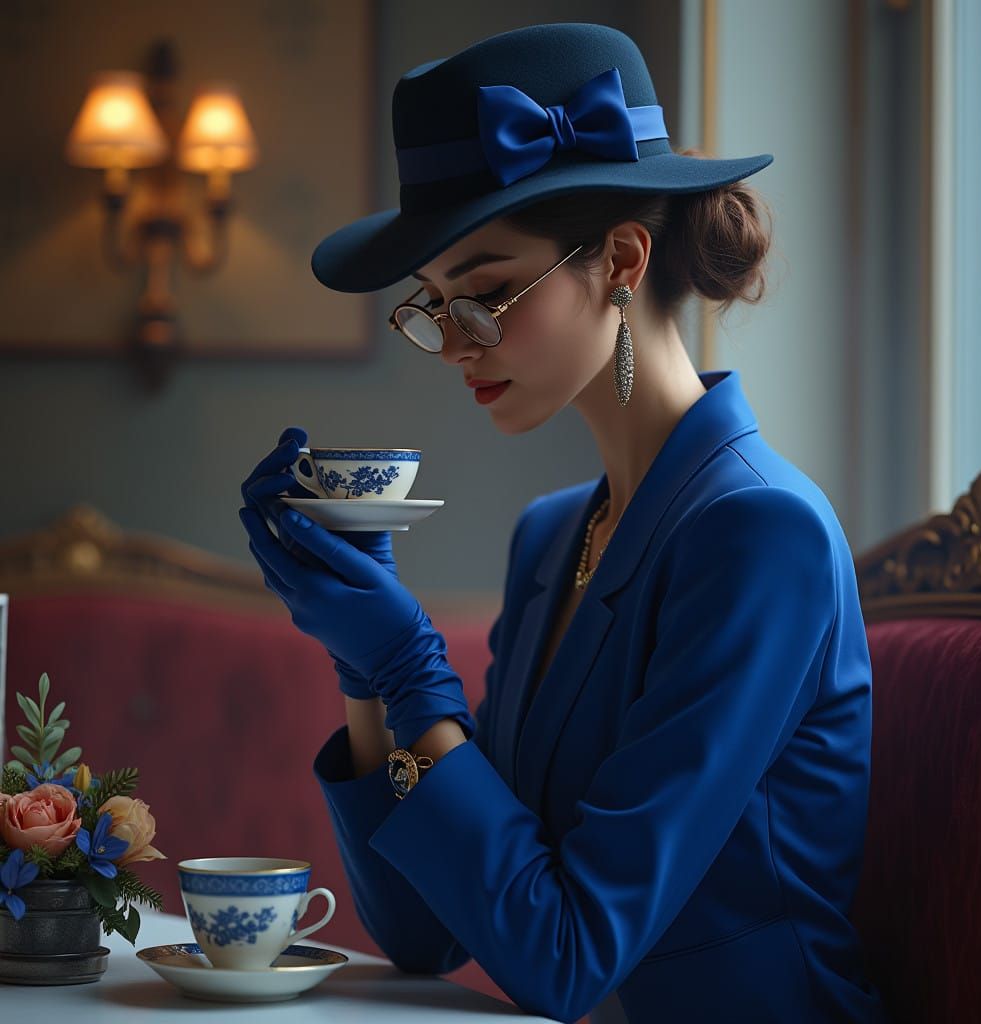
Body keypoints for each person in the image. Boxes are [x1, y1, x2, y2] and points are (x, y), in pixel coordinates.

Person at [238, 22, 888, 1024]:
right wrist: (364, 678)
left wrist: (411, 666)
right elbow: (424, 929)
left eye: (489, 293)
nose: (454, 343)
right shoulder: (551, 539)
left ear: (623, 259)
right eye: (435, 303)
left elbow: (565, 951)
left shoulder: (761, 535)